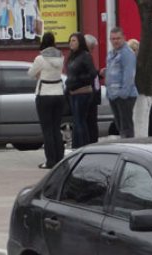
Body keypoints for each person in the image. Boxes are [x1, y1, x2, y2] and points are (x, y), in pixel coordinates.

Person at [28, 32, 65, 169]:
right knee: (56, 128)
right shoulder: (61, 56)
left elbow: (31, 73)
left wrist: (39, 74)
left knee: (47, 130)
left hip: (44, 94)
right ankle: (60, 159)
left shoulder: (40, 58)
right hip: (59, 94)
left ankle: (50, 161)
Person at [103, 27, 138, 139]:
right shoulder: (111, 54)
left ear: (124, 38)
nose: (115, 41)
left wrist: (123, 94)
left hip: (124, 96)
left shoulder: (127, 53)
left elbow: (129, 75)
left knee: (126, 127)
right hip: (113, 95)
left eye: (118, 38)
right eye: (113, 39)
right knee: (120, 126)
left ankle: (129, 148)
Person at [65, 32, 97, 149]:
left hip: (82, 92)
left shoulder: (85, 55)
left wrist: (77, 79)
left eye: (74, 41)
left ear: (80, 42)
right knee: (76, 122)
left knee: (80, 122)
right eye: (70, 41)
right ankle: (76, 147)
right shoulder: (72, 56)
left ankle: (84, 147)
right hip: (73, 93)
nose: (71, 43)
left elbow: (92, 73)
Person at [84, 34, 101, 144]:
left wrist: (99, 73)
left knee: (91, 121)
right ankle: (92, 142)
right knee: (90, 122)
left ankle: (92, 141)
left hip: (92, 93)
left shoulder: (86, 56)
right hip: (89, 94)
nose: (93, 50)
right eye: (92, 47)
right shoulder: (86, 56)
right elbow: (90, 75)